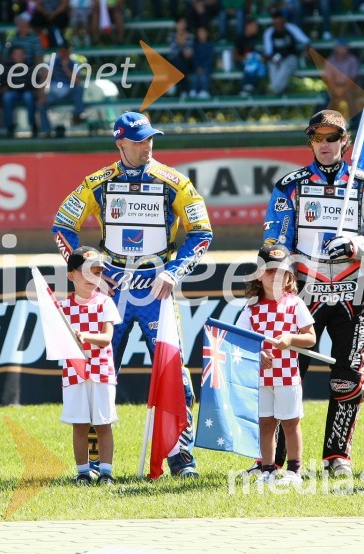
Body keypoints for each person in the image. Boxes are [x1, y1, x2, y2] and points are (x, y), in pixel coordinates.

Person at [51, 112, 212, 478]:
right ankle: (94, 465)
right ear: (119, 142)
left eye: (150, 138)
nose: (147, 145)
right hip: (113, 292)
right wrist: (93, 271)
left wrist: (174, 271)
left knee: (175, 374)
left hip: (156, 288)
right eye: (138, 140)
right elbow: (62, 225)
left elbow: (202, 232)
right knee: (94, 374)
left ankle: (180, 458)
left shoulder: (174, 182)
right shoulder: (97, 182)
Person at [262, 109, 364, 476]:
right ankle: (276, 461)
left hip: (352, 292)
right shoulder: (289, 185)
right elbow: (274, 241)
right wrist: (287, 271)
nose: (325, 145)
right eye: (318, 138)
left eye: (333, 138)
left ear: (346, 142)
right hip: (302, 293)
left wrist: (358, 246)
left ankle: (336, 456)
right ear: (311, 141)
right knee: (287, 373)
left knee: (347, 375)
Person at [236, 244, 316, 485]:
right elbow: (240, 339)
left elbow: (310, 338)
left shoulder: (295, 304)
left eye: (281, 271)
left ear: (290, 276)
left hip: (288, 376)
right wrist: (257, 353)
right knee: (266, 423)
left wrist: (291, 339)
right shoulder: (251, 308)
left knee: (291, 422)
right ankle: (268, 470)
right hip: (260, 378)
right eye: (270, 271)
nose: (276, 276)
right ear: (259, 275)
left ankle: (294, 471)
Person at [60, 246, 122, 486]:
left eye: (97, 273)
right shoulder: (63, 309)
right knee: (80, 424)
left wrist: (84, 336)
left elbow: (106, 338)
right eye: (86, 272)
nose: (92, 278)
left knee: (104, 423)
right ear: (71, 275)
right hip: (74, 374)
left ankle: (106, 472)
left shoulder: (105, 303)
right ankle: (83, 472)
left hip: (102, 372)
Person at [263, 9, 310, 96]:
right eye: (275, 23)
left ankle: (274, 88)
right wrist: (273, 59)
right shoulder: (269, 33)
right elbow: (268, 53)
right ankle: (277, 89)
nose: (278, 25)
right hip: (276, 59)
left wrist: (306, 52)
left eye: (279, 22)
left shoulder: (291, 28)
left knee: (286, 65)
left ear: (283, 21)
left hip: (291, 58)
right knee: (272, 65)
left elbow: (306, 41)